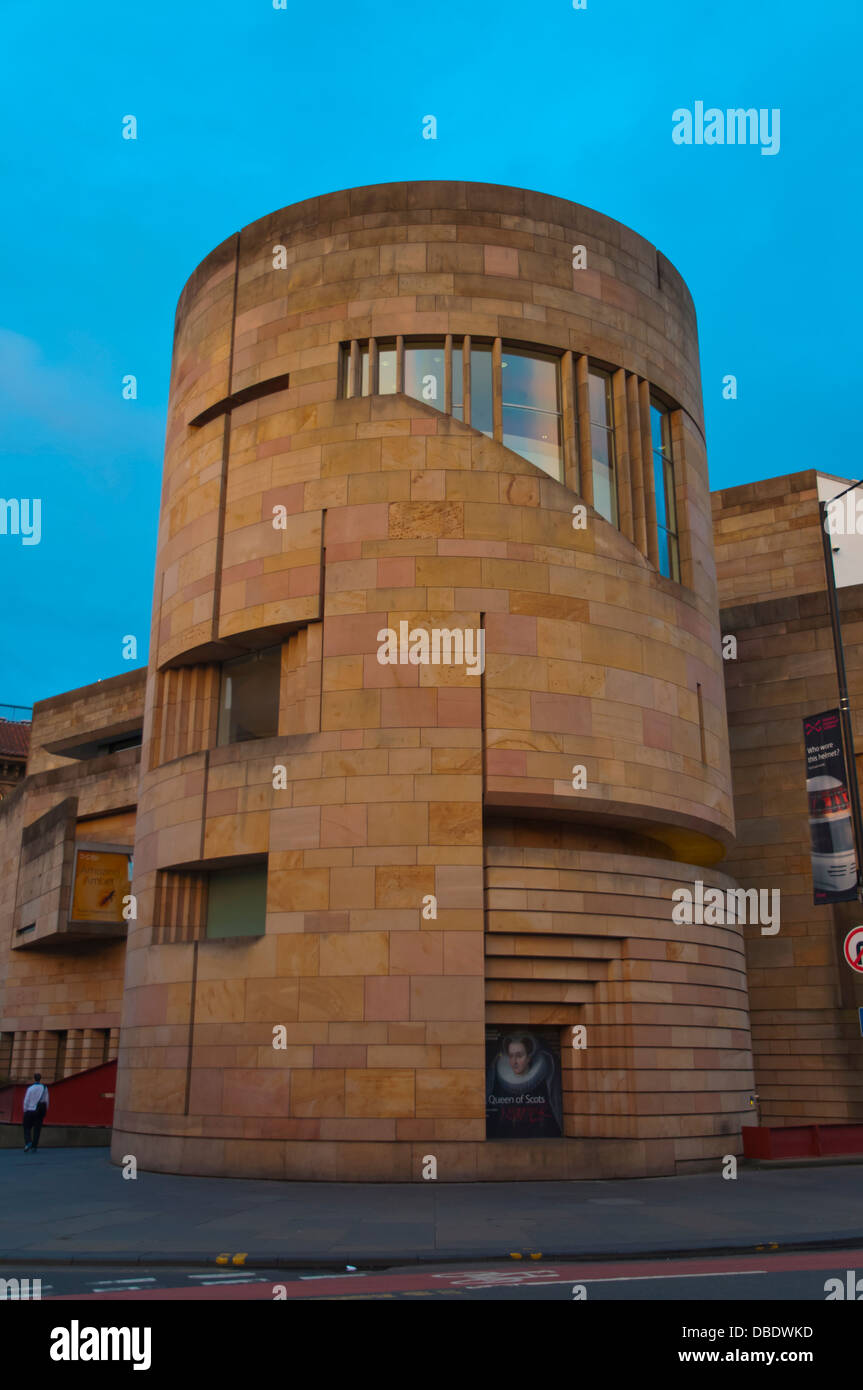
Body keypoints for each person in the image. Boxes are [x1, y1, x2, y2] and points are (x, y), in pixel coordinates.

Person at [22, 1073, 49, 1152]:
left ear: (34, 1079)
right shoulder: (44, 1088)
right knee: (37, 1129)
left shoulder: (30, 1088)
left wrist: (25, 1110)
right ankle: (34, 1146)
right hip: (39, 1111)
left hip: (29, 1111)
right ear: (40, 1079)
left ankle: (28, 1142)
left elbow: (26, 1100)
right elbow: (46, 1100)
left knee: (27, 1128)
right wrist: (45, 1110)